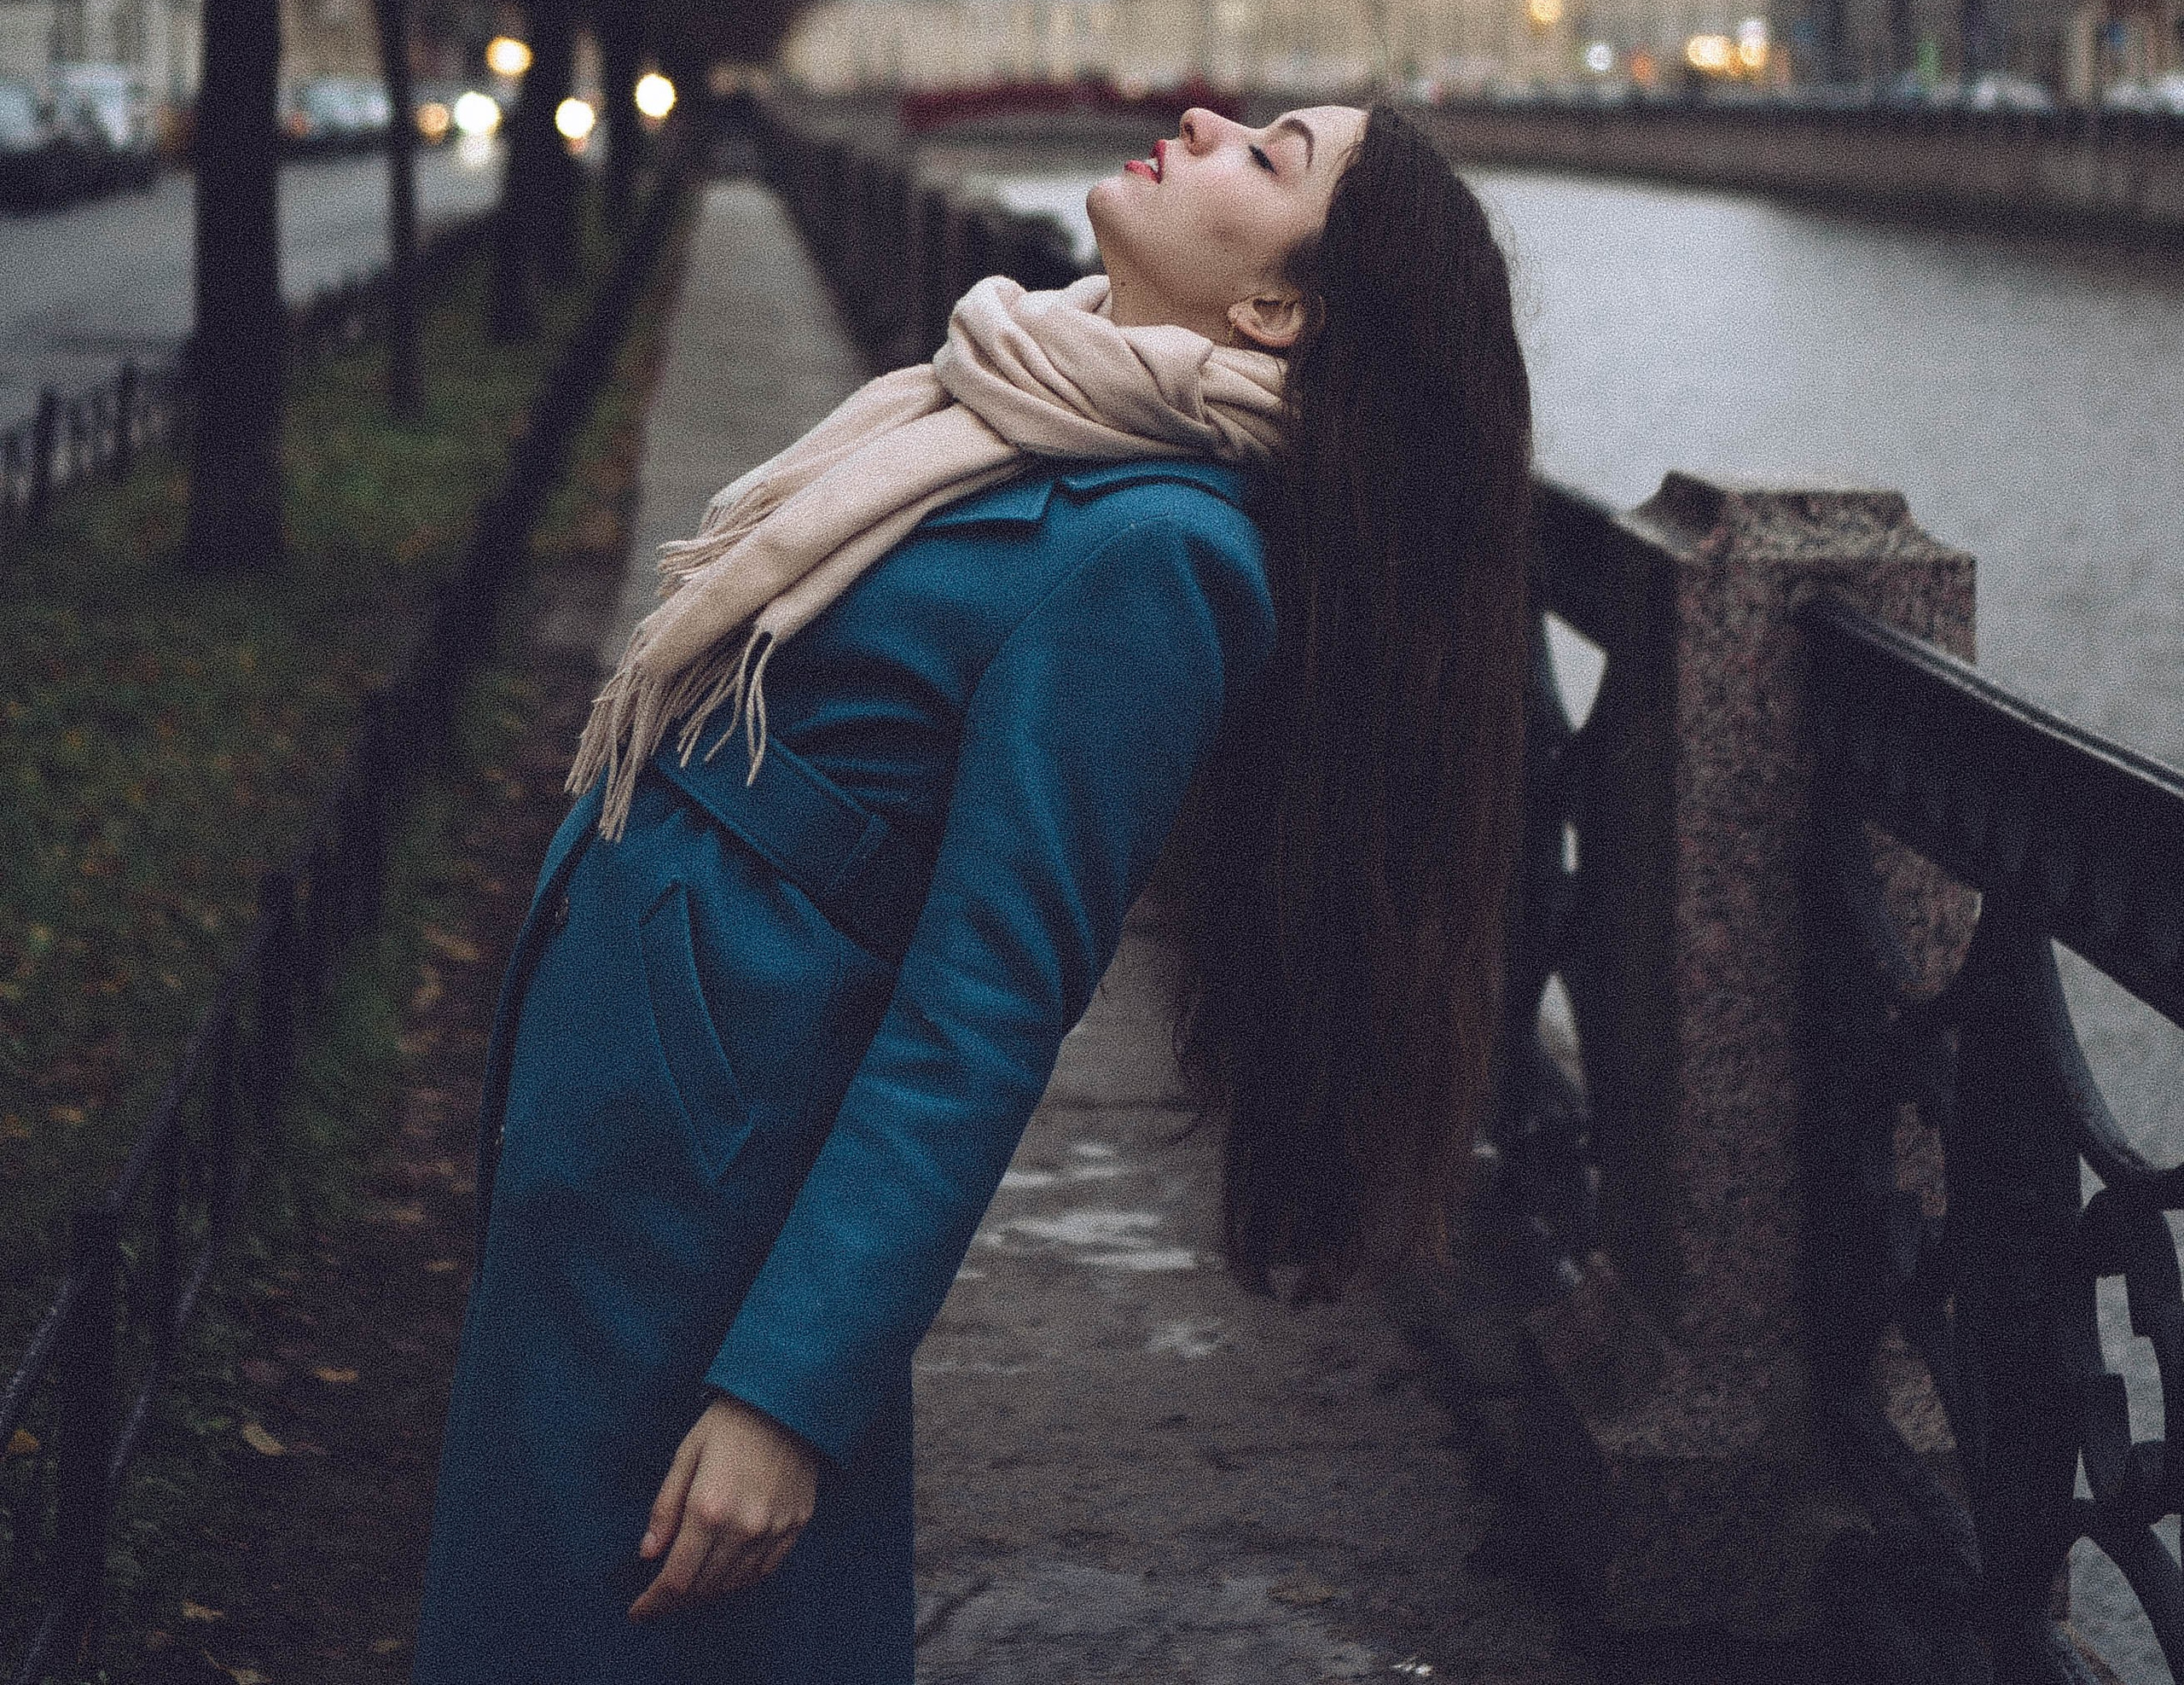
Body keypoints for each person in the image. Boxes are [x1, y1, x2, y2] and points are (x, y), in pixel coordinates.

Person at [411, 101, 1532, 1683]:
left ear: (1277, 311)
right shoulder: (1022, 401)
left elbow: (989, 1008)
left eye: (1266, 155)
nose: (1203, 121)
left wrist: (789, 1396)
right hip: (641, 1117)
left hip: (727, 1187)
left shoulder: (1163, 554)